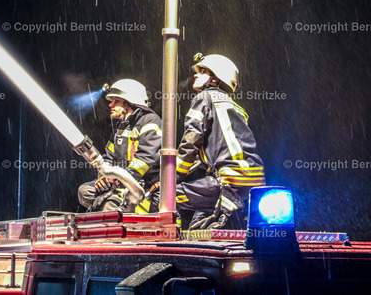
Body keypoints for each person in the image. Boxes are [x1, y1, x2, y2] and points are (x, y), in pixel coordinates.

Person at [175, 54, 266, 230]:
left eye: (203, 71)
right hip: (251, 181)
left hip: (227, 181)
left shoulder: (204, 97)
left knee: (164, 197)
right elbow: (215, 150)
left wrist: (172, 176)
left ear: (215, 78)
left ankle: (167, 240)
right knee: (199, 225)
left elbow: (191, 139)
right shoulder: (235, 107)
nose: (196, 74)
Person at [78, 79, 162, 213]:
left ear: (130, 102)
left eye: (116, 101)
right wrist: (103, 177)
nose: (110, 105)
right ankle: (114, 204)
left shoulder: (150, 121)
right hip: (120, 183)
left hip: (142, 188)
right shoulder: (121, 127)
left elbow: (145, 160)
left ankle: (117, 208)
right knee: (84, 191)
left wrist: (118, 178)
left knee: (108, 207)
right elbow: (108, 157)